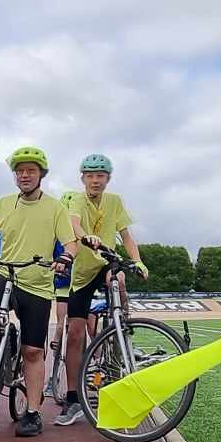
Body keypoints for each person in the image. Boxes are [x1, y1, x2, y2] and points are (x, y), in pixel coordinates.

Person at [0, 146, 71, 438]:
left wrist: (66, 257)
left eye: (30, 170)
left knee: (33, 351)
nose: (24, 175)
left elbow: (70, 242)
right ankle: (2, 343)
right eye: (20, 170)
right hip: (4, 273)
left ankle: (32, 413)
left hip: (38, 283)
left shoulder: (55, 207)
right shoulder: (5, 204)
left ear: (41, 174)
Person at [54, 155, 147, 427]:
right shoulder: (75, 199)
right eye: (90, 175)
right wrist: (86, 237)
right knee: (74, 332)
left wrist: (138, 260)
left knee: (118, 278)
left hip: (107, 261)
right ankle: (73, 398)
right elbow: (73, 223)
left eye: (101, 175)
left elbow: (126, 236)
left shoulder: (115, 201)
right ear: (82, 178)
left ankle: (123, 329)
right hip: (82, 272)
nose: (95, 180)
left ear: (108, 178)